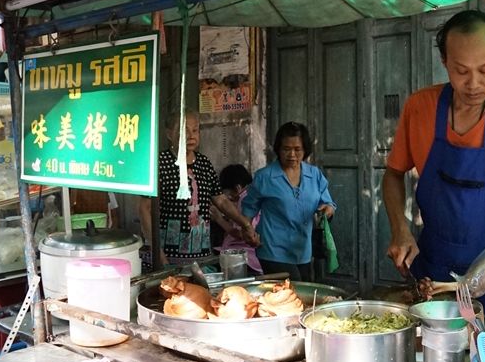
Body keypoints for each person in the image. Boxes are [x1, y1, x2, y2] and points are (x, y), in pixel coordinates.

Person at [382, 9, 485, 315]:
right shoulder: (420, 107)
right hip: (432, 267)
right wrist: (400, 229)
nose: (474, 83)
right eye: (461, 71)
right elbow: (393, 175)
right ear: (444, 61)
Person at [139, 109, 258, 266]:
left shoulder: (204, 163)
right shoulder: (160, 163)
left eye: (195, 130)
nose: (191, 135)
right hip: (168, 255)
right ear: (169, 134)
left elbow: (221, 201)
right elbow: (144, 209)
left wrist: (245, 224)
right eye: (184, 130)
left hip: (201, 254)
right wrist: (160, 256)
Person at [241, 122, 337, 281]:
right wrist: (248, 232)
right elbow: (247, 211)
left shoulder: (315, 175)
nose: (292, 154)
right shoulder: (265, 177)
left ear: (305, 150)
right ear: (278, 149)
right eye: (286, 149)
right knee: (292, 295)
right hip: (273, 250)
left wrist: (327, 210)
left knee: (302, 294)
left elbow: (329, 203)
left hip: (304, 250)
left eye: (297, 149)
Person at [210, 164, 262, 273]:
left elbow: (241, 234)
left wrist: (219, 219)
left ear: (237, 187)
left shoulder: (244, 199)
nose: (227, 197)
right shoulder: (254, 194)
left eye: (227, 193)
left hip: (245, 259)